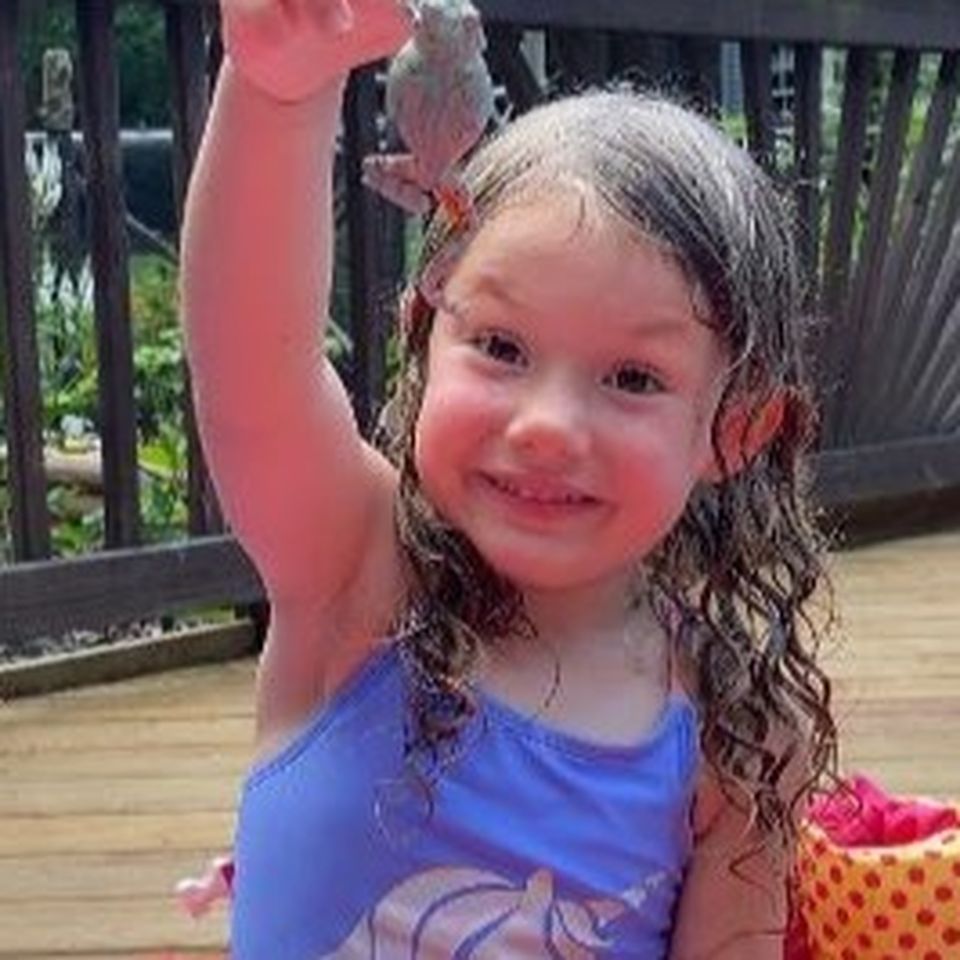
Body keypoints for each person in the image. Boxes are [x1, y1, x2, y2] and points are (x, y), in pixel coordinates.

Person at [180, 1, 837, 956]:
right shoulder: (356, 577)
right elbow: (253, 370)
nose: (547, 426)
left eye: (633, 378)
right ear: (424, 334)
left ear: (733, 429)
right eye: (500, 346)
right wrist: (279, 95)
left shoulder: (738, 732)